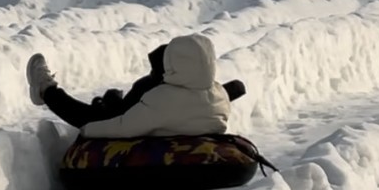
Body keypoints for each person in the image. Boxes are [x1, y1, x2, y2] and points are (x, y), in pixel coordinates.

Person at [27, 33, 243, 139]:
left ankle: (46, 90)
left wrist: (87, 129)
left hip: (140, 131)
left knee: (94, 115)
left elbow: (122, 126)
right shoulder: (219, 95)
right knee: (121, 100)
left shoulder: (164, 98)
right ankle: (110, 102)